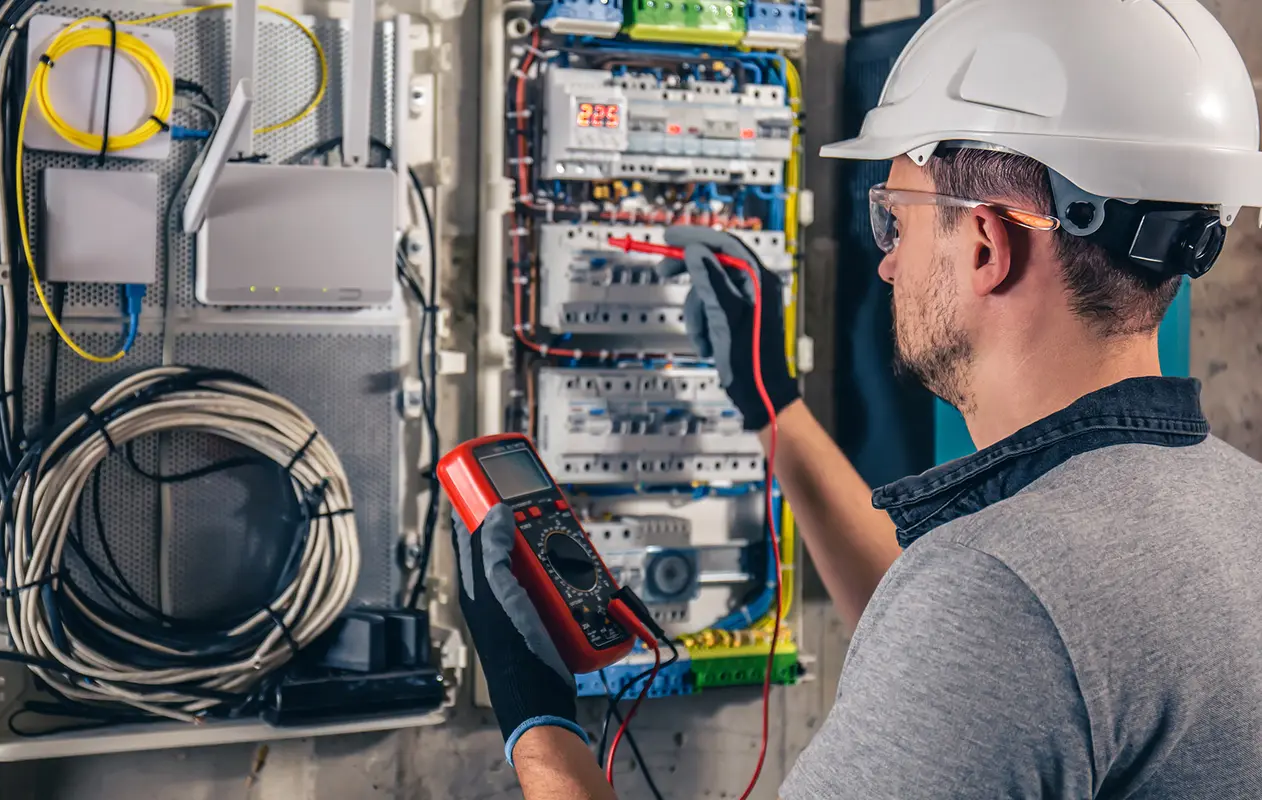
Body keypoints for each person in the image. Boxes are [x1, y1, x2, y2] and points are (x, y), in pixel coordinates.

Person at [452, 0, 1262, 797]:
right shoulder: (1235, 512)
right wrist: (774, 408)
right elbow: (999, 678)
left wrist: (537, 716)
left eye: (897, 220)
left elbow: (994, 639)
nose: (887, 266)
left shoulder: (999, 601)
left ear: (986, 244)